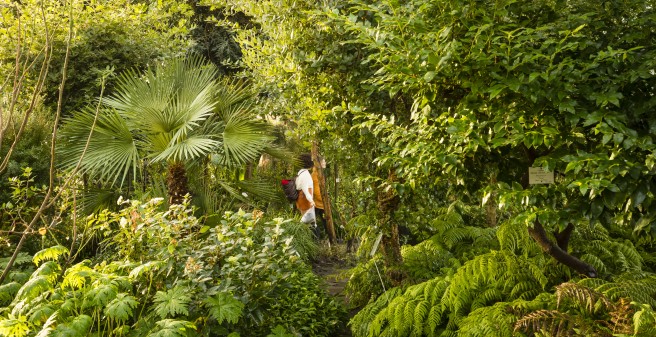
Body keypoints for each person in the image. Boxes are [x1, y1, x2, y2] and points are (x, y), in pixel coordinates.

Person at [295, 154, 315, 222]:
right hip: (305, 201)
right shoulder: (305, 174)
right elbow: (305, 190)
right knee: (310, 224)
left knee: (309, 223)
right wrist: (311, 201)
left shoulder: (301, 173)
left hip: (302, 199)